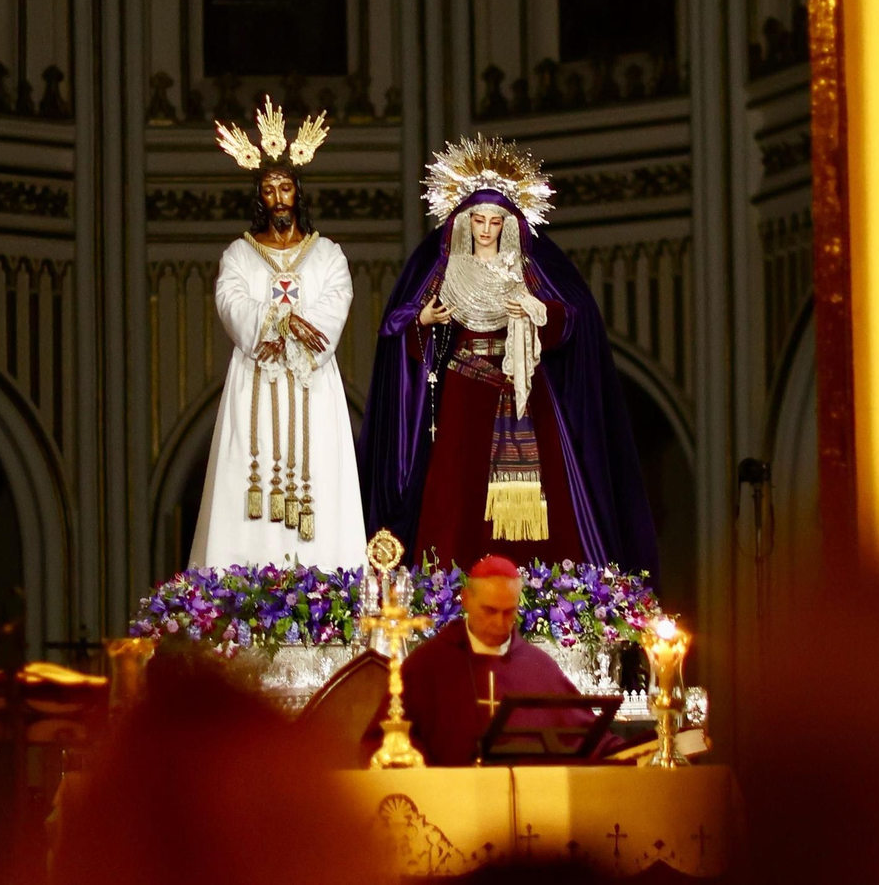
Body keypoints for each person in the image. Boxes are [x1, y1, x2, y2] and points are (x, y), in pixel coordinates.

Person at [359, 135, 658, 572]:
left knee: (542, 495)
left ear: (509, 225)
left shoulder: (526, 271)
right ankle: (449, 587)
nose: (484, 229)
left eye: (494, 222)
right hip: (463, 390)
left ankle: (541, 585)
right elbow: (400, 330)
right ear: (464, 223)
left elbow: (573, 319)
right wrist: (421, 321)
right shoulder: (446, 271)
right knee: (457, 489)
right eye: (477, 219)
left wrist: (539, 311)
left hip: (521, 391)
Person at [189, 98, 365, 572]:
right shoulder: (239, 254)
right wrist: (275, 323)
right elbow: (230, 300)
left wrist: (306, 328)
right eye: (269, 189)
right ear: (259, 198)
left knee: (322, 473)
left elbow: (337, 297)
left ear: (299, 192)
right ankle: (243, 586)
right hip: (257, 377)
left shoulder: (326, 252)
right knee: (249, 470)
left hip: (313, 379)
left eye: (286, 187)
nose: (279, 197)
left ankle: (326, 582)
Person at [363, 555, 606, 766]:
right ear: (466, 599)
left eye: (509, 612)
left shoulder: (539, 667)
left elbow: (587, 736)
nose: (500, 623)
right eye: (490, 611)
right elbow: (383, 741)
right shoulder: (428, 663)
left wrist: (635, 751)